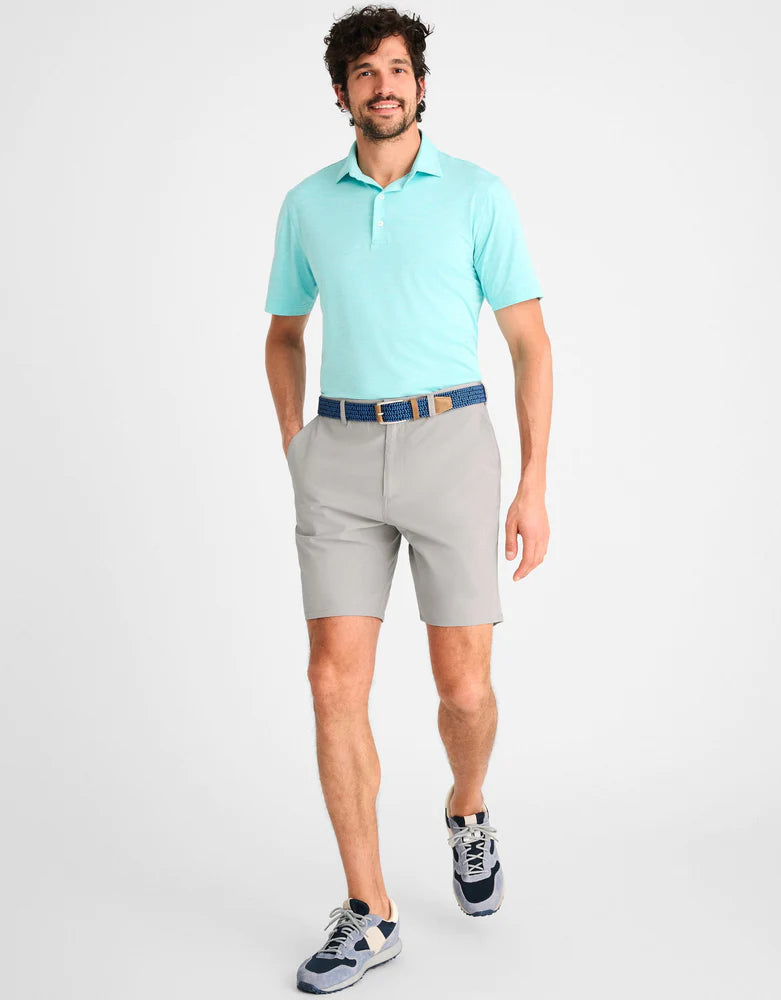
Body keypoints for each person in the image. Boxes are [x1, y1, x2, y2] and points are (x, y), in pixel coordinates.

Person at [264, 5, 552, 993]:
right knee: (330, 682)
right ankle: (370, 910)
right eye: (363, 72)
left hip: (450, 446)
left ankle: (467, 807)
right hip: (339, 455)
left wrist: (533, 481)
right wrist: (296, 444)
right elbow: (282, 331)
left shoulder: (476, 195)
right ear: (340, 92)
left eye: (396, 69)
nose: (381, 86)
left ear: (419, 85)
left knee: (462, 688)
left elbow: (528, 343)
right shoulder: (307, 204)